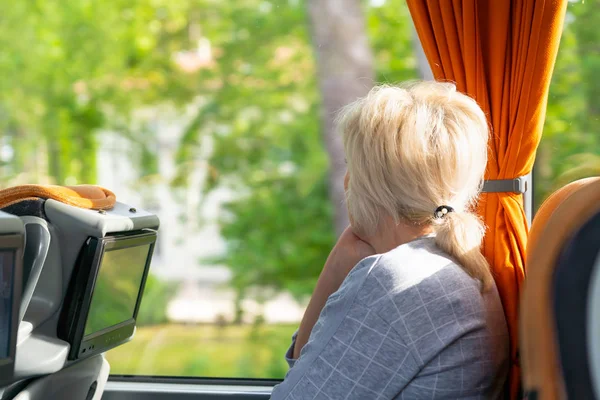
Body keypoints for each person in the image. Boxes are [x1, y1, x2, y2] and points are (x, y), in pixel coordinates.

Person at [270, 81, 509, 399]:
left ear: (366, 184)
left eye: (351, 165)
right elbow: (312, 372)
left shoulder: (395, 280)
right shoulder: (461, 266)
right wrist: (343, 257)